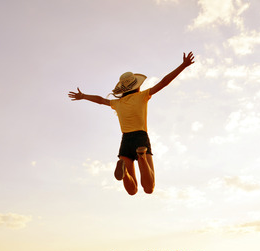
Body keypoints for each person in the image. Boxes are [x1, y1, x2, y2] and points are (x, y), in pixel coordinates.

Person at [68, 51, 194, 196]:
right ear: (137, 86)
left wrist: (83, 96)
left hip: (125, 141)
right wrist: (183, 65)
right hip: (141, 139)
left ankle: (125, 172)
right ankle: (141, 156)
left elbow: (100, 100)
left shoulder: (117, 102)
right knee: (149, 188)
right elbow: (164, 82)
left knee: (132, 191)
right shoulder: (142, 96)